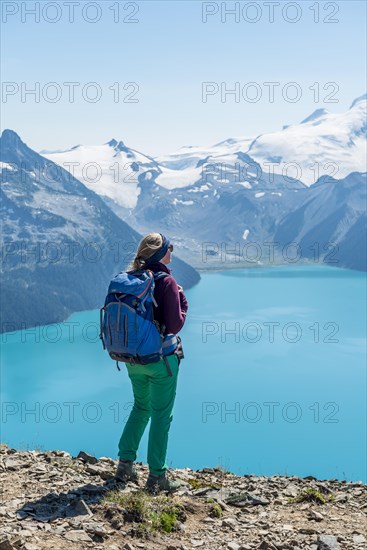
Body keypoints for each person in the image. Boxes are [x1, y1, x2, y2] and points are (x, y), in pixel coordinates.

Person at [114, 232, 188, 494]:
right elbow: (175, 324)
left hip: (133, 359)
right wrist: (182, 301)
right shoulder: (166, 281)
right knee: (161, 415)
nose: (172, 252)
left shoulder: (132, 278)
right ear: (161, 253)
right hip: (162, 361)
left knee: (141, 407)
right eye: (170, 248)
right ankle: (157, 477)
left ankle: (125, 466)